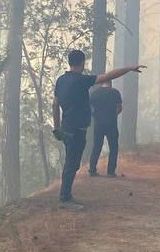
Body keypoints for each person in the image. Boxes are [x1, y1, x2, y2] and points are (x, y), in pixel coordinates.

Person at [52, 50, 144, 210]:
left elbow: (55, 104)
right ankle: (64, 198)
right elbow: (109, 76)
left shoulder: (61, 80)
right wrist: (129, 68)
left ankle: (66, 195)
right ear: (82, 63)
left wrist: (57, 127)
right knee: (71, 163)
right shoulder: (81, 80)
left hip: (66, 127)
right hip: (77, 130)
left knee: (72, 163)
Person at [87, 81, 123, 178]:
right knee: (113, 147)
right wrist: (114, 114)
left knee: (97, 146)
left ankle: (92, 169)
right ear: (110, 83)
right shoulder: (115, 92)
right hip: (111, 123)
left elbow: (89, 107)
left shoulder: (95, 93)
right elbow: (119, 107)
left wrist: (95, 115)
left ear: (101, 84)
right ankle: (111, 172)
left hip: (99, 123)